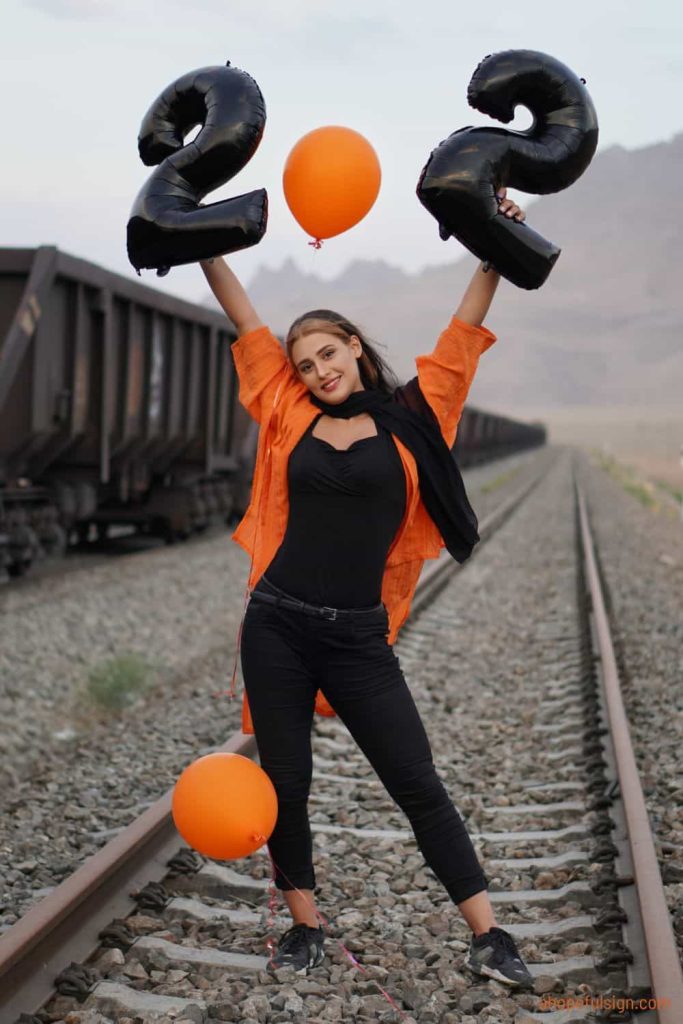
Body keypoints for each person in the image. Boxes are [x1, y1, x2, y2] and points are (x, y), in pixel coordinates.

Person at [200, 189, 534, 989]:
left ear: (354, 346)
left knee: (415, 780)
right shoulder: (283, 409)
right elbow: (243, 321)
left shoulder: (416, 417)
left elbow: (461, 341)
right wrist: (199, 239)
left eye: (329, 354)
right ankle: (305, 928)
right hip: (275, 625)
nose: (317, 371)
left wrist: (493, 250)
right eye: (306, 363)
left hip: (357, 636)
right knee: (287, 782)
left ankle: (488, 935)